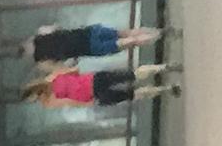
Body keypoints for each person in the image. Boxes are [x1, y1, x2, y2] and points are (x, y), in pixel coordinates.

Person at [23, 63, 178, 108]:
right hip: (94, 79)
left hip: (94, 95)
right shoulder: (52, 77)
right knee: (132, 74)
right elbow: (75, 70)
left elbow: (71, 102)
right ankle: (164, 67)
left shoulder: (50, 102)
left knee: (132, 94)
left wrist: (88, 103)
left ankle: (167, 89)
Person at [22, 23, 165, 65]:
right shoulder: (41, 32)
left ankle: (157, 37)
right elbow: (57, 26)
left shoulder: (45, 58)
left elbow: (70, 64)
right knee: (126, 33)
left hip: (90, 49)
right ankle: (159, 31)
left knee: (128, 42)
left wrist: (73, 56)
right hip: (88, 32)